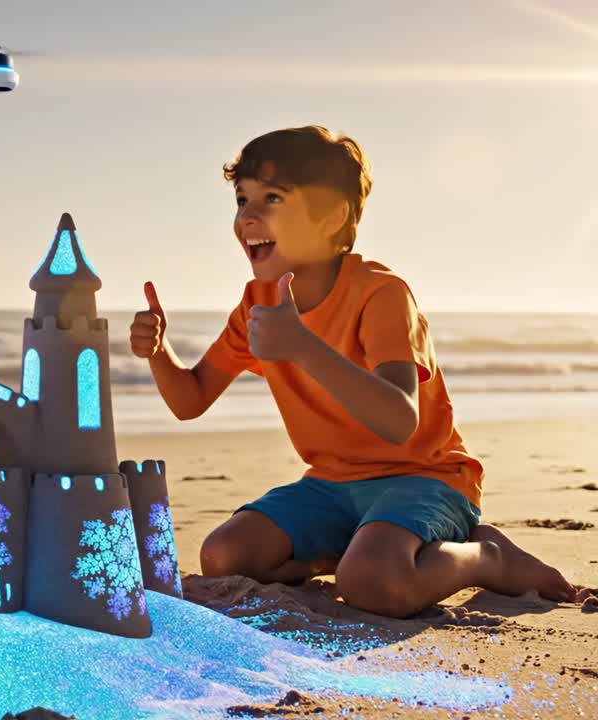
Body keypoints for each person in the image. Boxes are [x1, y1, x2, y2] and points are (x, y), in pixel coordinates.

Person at [129, 125, 576, 618]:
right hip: (330, 484)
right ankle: (356, 546)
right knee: (222, 557)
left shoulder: (380, 293)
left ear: (333, 217)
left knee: (375, 586)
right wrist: (158, 351)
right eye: (241, 199)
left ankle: (483, 556)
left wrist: (301, 346)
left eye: (272, 198)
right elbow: (190, 400)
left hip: (425, 477)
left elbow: (398, 419)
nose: (247, 216)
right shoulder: (257, 305)